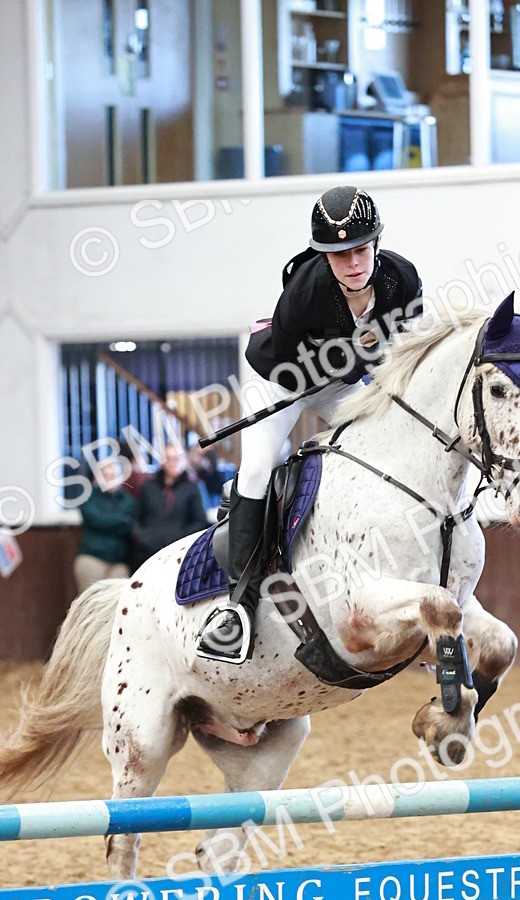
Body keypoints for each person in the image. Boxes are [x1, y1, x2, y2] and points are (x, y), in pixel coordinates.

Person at [197, 185, 422, 664]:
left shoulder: (402, 280)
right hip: (282, 379)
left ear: (376, 245)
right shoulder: (305, 291)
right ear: (325, 256)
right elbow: (288, 366)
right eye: (339, 255)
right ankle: (238, 607)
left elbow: (406, 350)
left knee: (387, 440)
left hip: (341, 381)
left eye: (361, 249)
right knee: (258, 468)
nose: (353, 262)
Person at [131, 445, 209, 572]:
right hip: (147, 551)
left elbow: (199, 521)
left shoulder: (193, 487)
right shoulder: (148, 486)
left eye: (176, 458)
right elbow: (136, 517)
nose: (172, 463)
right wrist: (142, 537)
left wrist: (181, 539)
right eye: (168, 458)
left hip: (179, 553)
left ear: (183, 461)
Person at [74, 459, 136, 593]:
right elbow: (94, 519)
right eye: (106, 476)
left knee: (117, 605)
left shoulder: (127, 499)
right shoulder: (89, 497)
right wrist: (120, 521)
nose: (110, 480)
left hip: (119, 562)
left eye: (113, 476)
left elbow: (130, 524)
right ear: (97, 477)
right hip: (92, 559)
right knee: (91, 604)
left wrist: (109, 522)